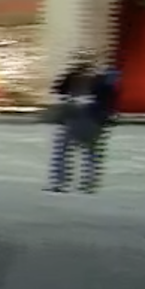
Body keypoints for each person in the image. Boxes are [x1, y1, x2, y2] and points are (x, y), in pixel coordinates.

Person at [48, 52, 118, 193]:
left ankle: (65, 182)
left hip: (86, 118)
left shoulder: (98, 80)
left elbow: (59, 89)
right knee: (86, 152)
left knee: (74, 151)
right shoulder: (91, 78)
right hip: (83, 118)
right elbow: (59, 88)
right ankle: (85, 183)